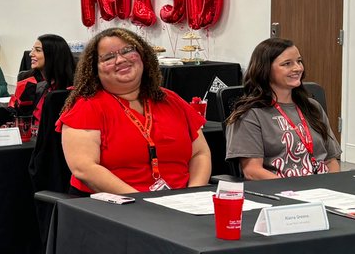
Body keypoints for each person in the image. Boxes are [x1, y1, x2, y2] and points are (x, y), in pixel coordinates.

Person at [59, 27, 211, 194]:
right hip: (118, 206)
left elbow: (200, 154)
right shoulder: (87, 106)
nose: (120, 60)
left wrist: (194, 194)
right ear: (94, 69)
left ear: (142, 55)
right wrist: (141, 203)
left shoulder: (171, 99)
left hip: (182, 204)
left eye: (127, 50)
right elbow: (84, 169)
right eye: (108, 57)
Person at [226, 38, 340, 179]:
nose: (298, 68)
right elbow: (252, 171)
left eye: (299, 61)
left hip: (321, 189)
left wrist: (333, 185)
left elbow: (331, 160)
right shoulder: (250, 114)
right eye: (287, 64)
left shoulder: (312, 107)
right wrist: (294, 191)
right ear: (265, 69)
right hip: (282, 190)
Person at [9, 34, 76, 127]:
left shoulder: (73, 84)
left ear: (53, 55)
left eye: (38, 50)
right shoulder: (27, 79)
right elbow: (18, 114)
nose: (31, 54)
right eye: (33, 49)